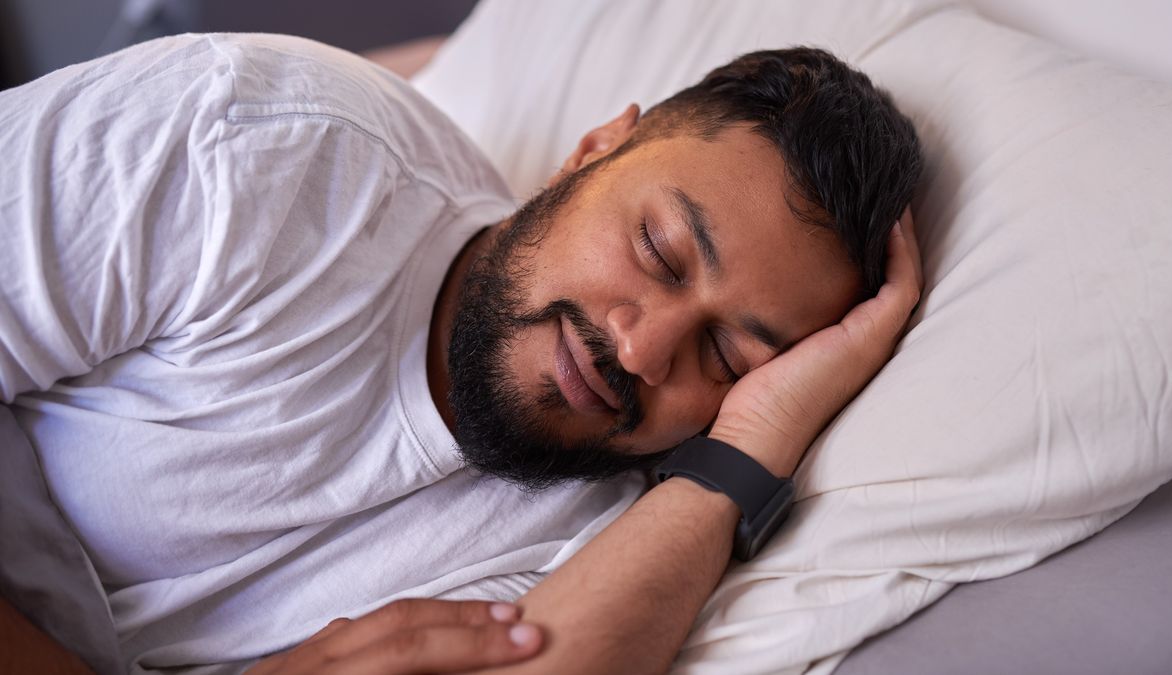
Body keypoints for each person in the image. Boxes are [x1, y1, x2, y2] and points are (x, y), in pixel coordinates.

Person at [0, 32, 921, 674]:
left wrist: (744, 455)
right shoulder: (257, 148)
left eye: (724, 354)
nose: (641, 349)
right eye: (659, 251)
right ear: (597, 149)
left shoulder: (602, 531)